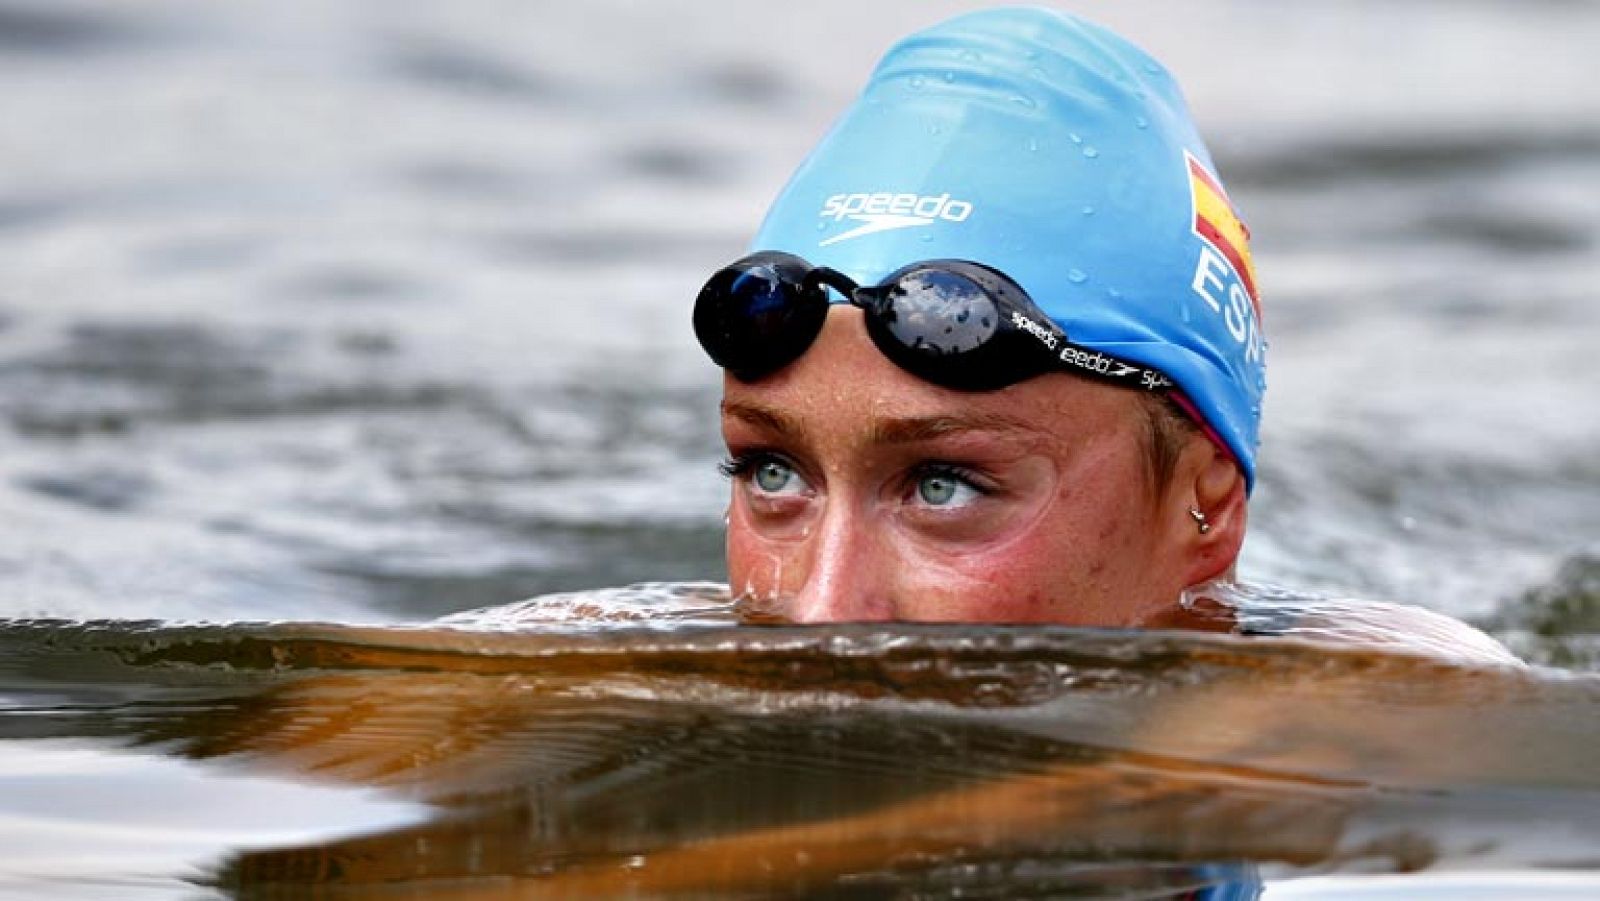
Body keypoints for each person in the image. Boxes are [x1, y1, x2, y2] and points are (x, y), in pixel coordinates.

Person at [694, 7, 1265, 628]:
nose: (821, 611)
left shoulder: (1365, 712)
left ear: (1205, 503)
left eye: (945, 485)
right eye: (770, 474)